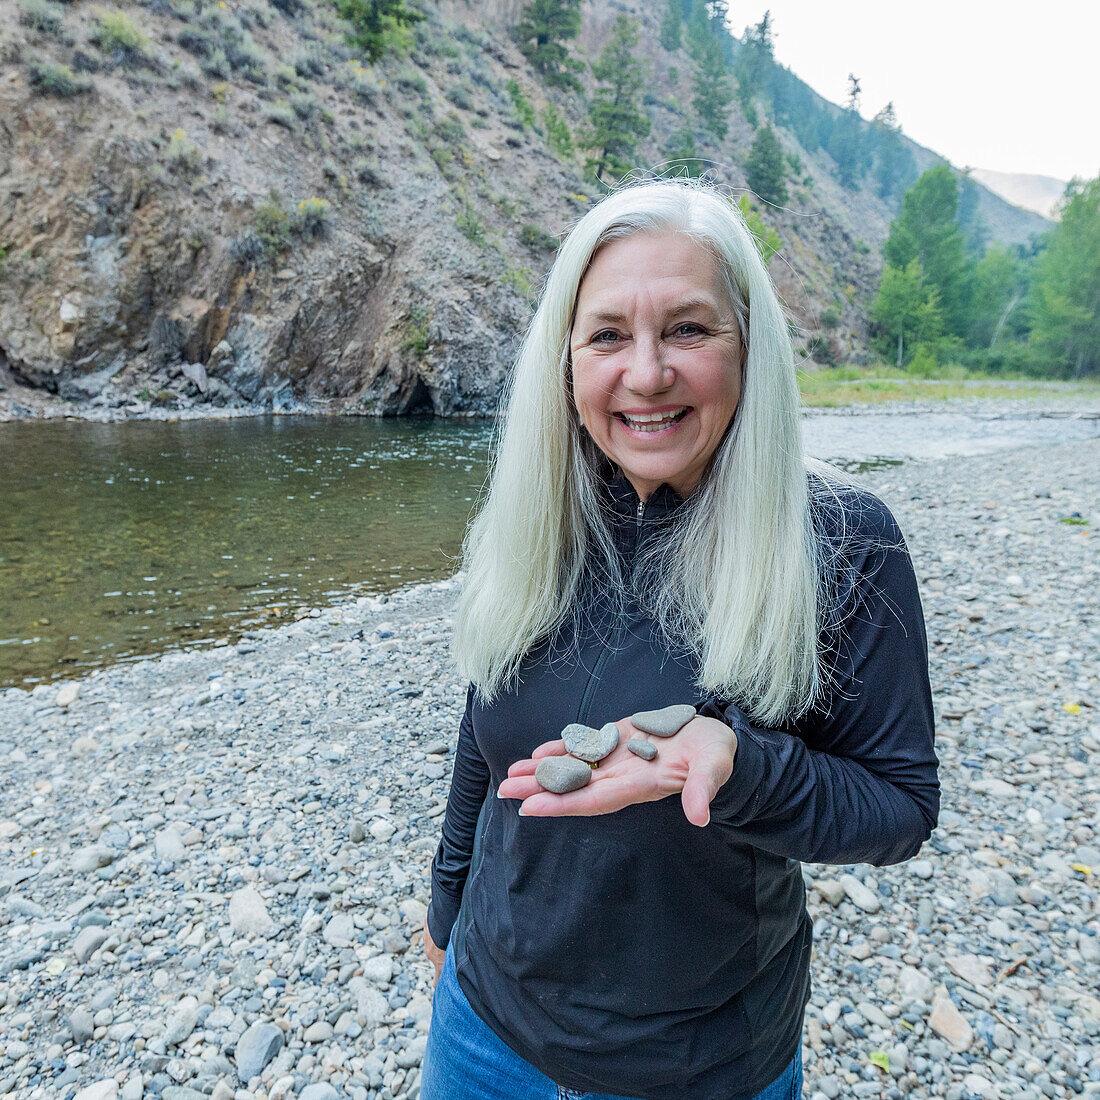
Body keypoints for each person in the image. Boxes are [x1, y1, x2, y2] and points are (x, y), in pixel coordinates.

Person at [419, 178, 940, 1100]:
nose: (647, 373)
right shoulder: (540, 517)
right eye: (608, 334)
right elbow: (484, 729)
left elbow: (899, 807)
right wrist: (446, 907)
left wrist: (739, 766)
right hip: (483, 1034)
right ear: (566, 359)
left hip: (702, 1068)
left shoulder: (845, 542)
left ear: (750, 347)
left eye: (689, 330)